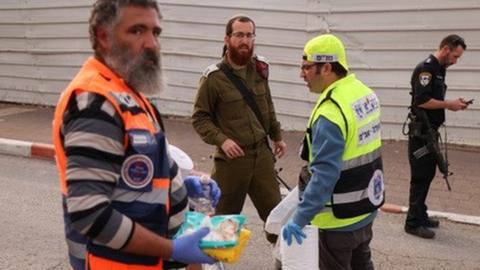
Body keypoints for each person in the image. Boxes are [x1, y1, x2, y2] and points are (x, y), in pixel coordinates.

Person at [51, 1, 221, 269]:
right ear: (103, 36)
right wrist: (172, 249)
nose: (152, 43)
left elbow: (137, 169)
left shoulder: (130, 94)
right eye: (137, 31)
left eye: (156, 32)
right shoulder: (95, 104)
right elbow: (89, 213)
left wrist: (180, 185)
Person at [281, 34, 385, 270]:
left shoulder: (330, 113)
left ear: (326, 67)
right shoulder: (364, 94)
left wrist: (300, 218)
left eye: (306, 67)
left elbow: (325, 175)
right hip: (365, 207)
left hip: (336, 220)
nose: (301, 74)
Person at [191, 14, 287, 243]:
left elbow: (267, 105)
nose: (245, 41)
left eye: (249, 35)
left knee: (278, 217)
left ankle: (284, 259)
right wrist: (222, 140)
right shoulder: (213, 78)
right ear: (227, 39)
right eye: (239, 35)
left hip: (262, 156)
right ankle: (217, 262)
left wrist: (277, 135)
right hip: (232, 161)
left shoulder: (260, 68)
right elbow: (199, 118)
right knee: (224, 223)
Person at [404, 34, 470, 239]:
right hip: (420, 134)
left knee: (428, 174)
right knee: (420, 176)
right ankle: (412, 223)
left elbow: (435, 98)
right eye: (455, 56)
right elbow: (422, 101)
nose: (455, 61)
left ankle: (420, 214)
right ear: (445, 49)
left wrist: (453, 102)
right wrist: (449, 104)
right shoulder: (427, 69)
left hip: (430, 131)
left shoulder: (440, 70)